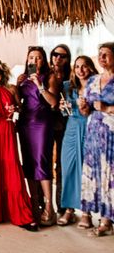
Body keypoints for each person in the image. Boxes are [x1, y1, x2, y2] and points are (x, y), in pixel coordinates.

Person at [0, 61, 37, 231]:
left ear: (3, 73)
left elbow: (21, 108)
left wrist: (15, 108)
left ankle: (22, 214)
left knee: (12, 170)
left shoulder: (11, 89)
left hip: (7, 131)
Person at [17, 46, 59, 226]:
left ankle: (50, 207)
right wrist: (16, 89)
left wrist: (39, 85)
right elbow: (18, 103)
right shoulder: (22, 78)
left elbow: (53, 103)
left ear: (44, 60)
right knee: (29, 163)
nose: (34, 60)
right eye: (31, 57)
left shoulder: (50, 77)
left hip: (42, 123)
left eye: (38, 57)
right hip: (25, 122)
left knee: (42, 161)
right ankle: (35, 203)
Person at [78, 42, 114, 237]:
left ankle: (107, 220)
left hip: (112, 134)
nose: (101, 58)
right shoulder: (92, 81)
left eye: (106, 54)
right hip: (93, 134)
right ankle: (101, 216)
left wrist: (108, 108)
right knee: (97, 174)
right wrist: (83, 106)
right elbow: (86, 111)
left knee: (111, 176)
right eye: (99, 54)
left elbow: (103, 107)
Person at [57, 56, 97, 227]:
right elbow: (66, 113)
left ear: (91, 69)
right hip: (71, 131)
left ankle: (86, 212)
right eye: (77, 67)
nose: (81, 70)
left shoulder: (97, 86)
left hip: (90, 129)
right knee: (68, 170)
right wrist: (62, 107)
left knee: (85, 171)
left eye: (85, 66)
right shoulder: (68, 86)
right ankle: (69, 209)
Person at [49, 44, 72, 215]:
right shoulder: (43, 74)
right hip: (44, 124)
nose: (58, 58)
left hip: (65, 124)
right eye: (55, 54)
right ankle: (44, 204)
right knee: (44, 164)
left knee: (62, 166)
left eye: (62, 56)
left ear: (67, 59)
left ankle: (62, 206)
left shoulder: (72, 77)